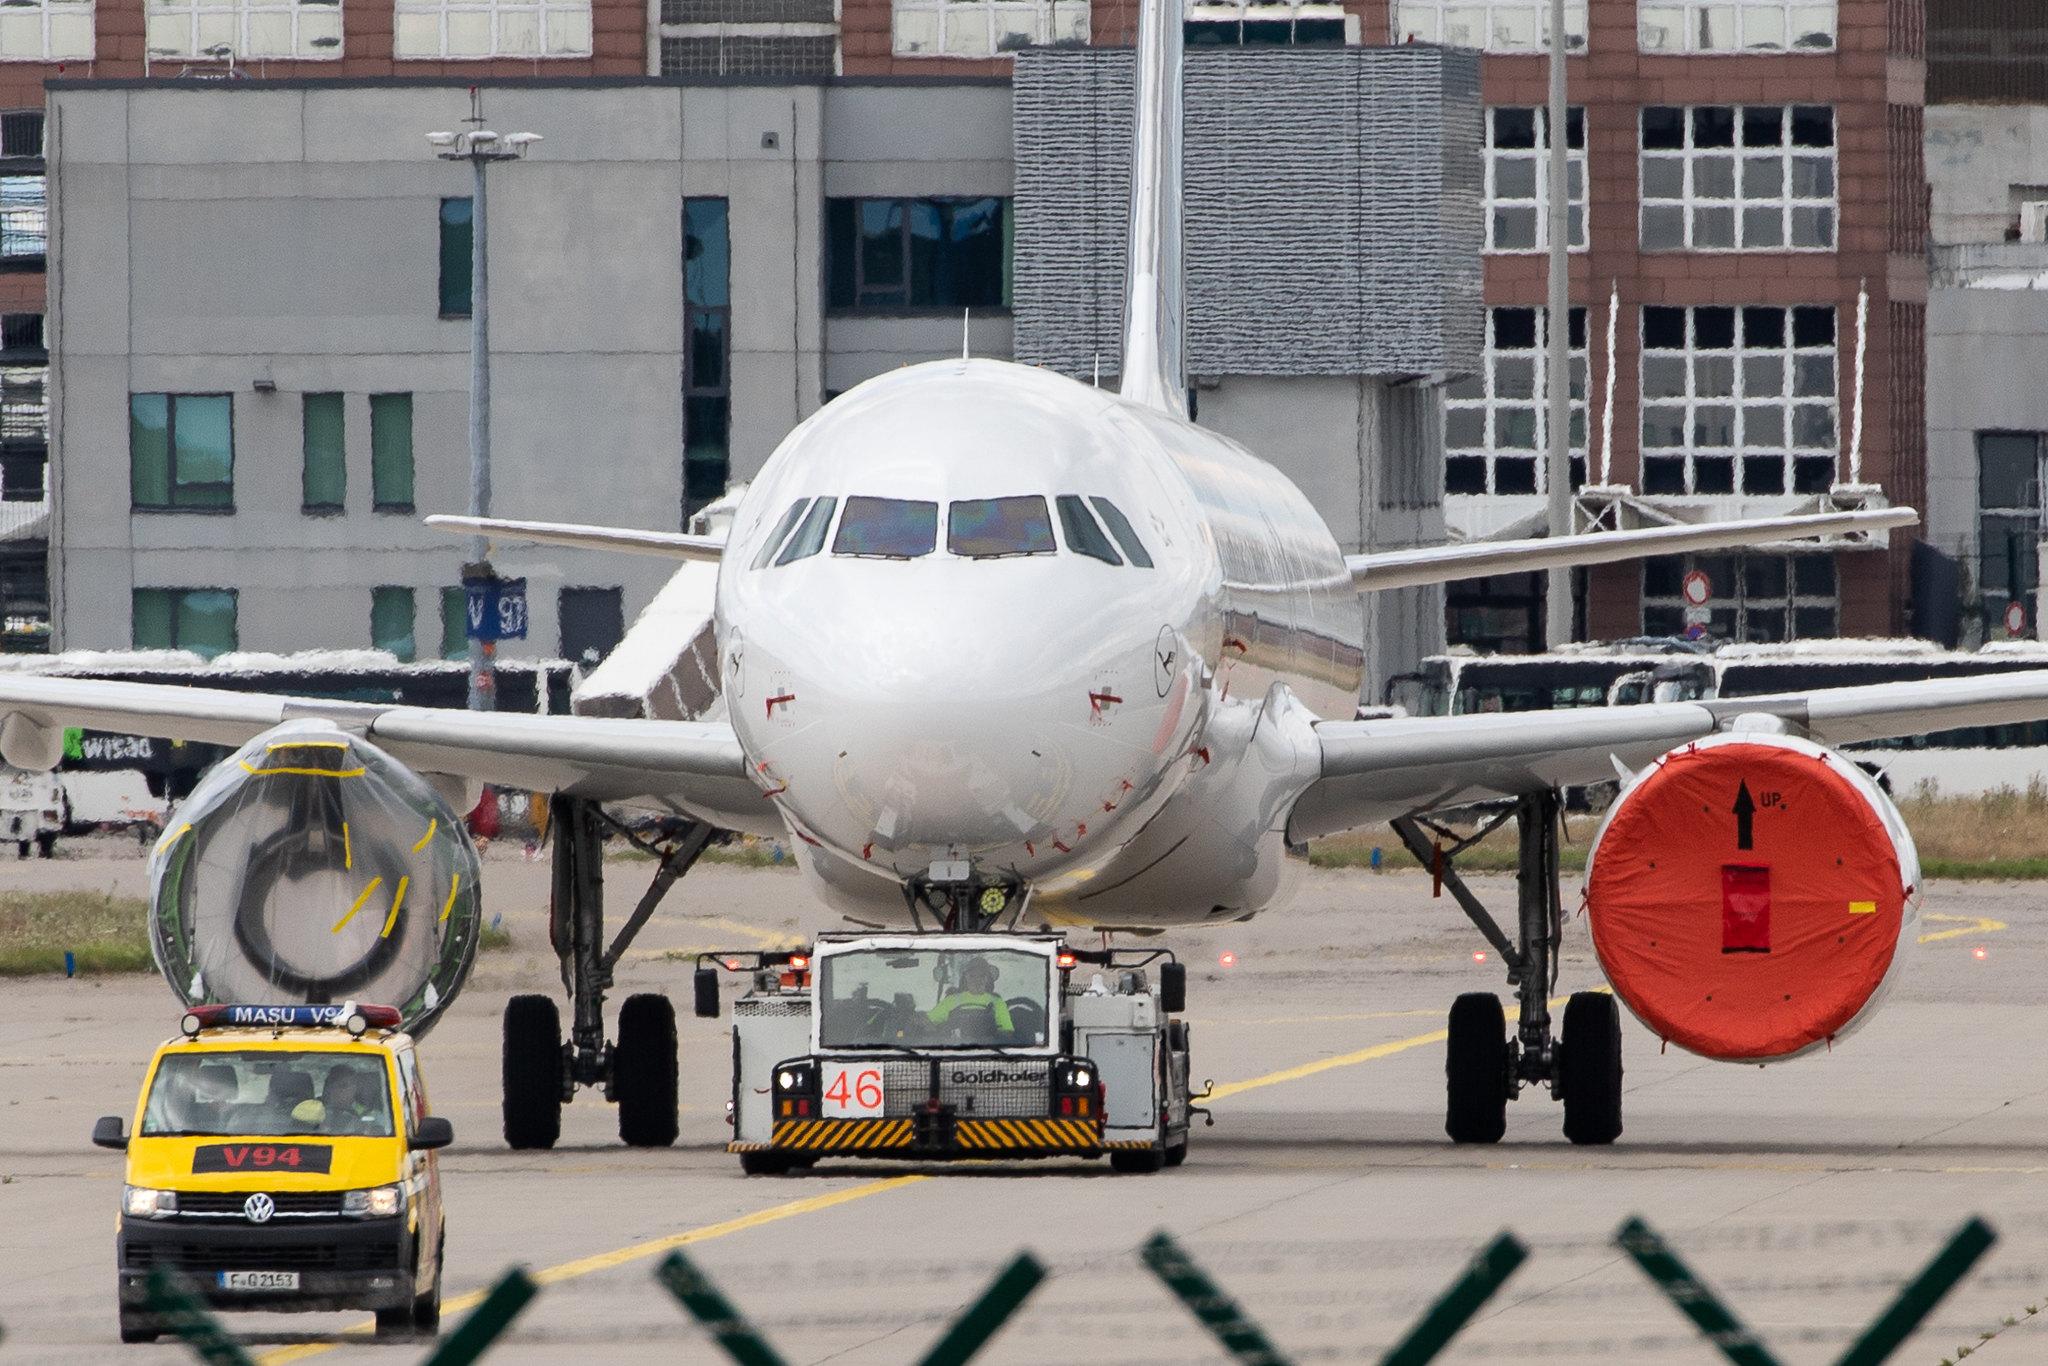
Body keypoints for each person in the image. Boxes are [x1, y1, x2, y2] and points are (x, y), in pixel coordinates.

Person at [926, 958, 1013, 1037]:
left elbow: (1007, 1033)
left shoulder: (997, 1002)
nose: (977, 980)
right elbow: (928, 1022)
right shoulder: (951, 1000)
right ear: (966, 977)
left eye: (982, 976)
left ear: (987, 979)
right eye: (972, 976)